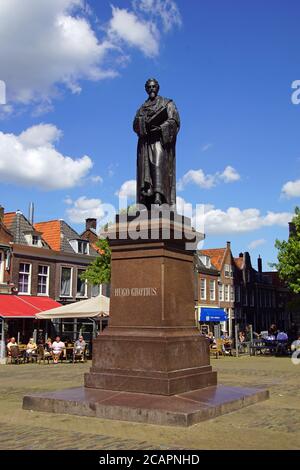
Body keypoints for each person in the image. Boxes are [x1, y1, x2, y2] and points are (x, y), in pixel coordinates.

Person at [133, 78, 180, 208]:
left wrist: (161, 128)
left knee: (158, 165)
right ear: (146, 89)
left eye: (153, 87)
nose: (151, 89)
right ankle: (146, 199)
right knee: (144, 170)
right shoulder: (142, 108)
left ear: (158, 88)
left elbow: (174, 121)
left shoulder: (167, 103)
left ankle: (159, 196)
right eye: (149, 87)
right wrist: (143, 123)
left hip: (159, 140)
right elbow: (135, 125)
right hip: (145, 142)